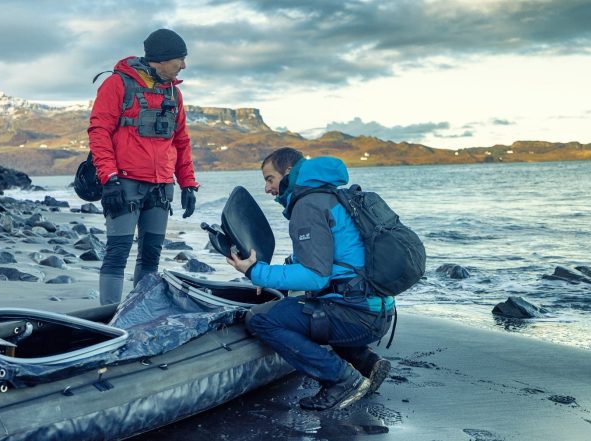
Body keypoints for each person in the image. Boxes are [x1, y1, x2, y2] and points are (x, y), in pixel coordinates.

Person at [226, 147, 394, 411]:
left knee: (261, 319)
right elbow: (325, 261)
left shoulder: (308, 206)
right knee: (310, 304)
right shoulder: (330, 196)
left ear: (288, 172)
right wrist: (271, 277)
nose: (267, 188)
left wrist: (254, 272)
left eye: (270, 179)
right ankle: (366, 364)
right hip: (377, 311)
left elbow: (315, 276)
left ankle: (341, 380)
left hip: (358, 316)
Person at [88, 29, 199, 305]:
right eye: (180, 60)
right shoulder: (117, 85)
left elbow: (181, 141)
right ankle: (108, 319)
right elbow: (98, 131)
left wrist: (188, 184)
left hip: (161, 188)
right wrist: (109, 178)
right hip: (124, 184)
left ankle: (139, 314)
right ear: (161, 59)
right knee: (117, 252)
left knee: (151, 257)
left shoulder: (174, 93)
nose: (183, 66)